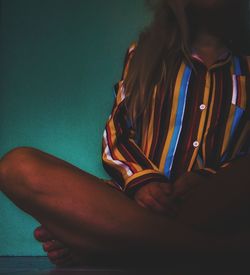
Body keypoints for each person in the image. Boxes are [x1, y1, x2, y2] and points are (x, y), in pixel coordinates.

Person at [0, 0, 249, 269]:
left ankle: (108, 241)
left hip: (209, 205)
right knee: (17, 167)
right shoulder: (144, 54)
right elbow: (117, 131)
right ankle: (216, 252)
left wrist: (204, 178)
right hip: (133, 204)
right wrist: (143, 182)